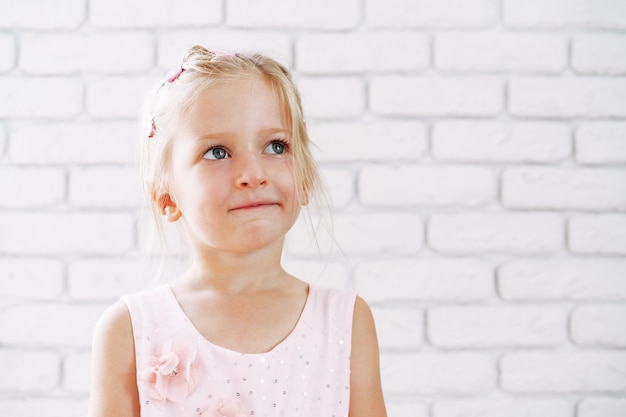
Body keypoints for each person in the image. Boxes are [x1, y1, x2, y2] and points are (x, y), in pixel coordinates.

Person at [87, 45, 387, 417]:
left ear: (306, 177)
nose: (254, 174)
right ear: (167, 196)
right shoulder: (129, 330)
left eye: (276, 146)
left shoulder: (345, 321)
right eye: (217, 152)